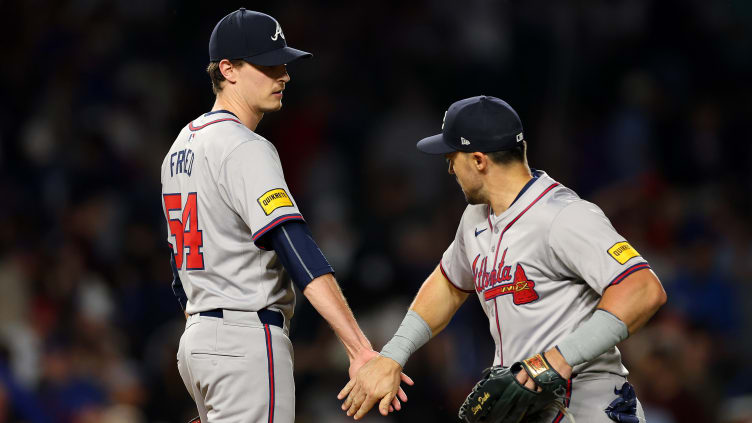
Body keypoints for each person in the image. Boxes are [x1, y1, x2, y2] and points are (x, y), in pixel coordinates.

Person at [338, 96, 666, 422]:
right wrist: (393, 355)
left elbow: (643, 288)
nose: (450, 167)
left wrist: (556, 359)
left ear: (479, 160)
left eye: (452, 156)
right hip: (531, 405)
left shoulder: (563, 215)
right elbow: (447, 285)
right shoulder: (475, 219)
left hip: (589, 403)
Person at [160, 9, 411, 422]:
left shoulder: (179, 148)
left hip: (199, 342)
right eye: (268, 64)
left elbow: (178, 270)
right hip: (246, 338)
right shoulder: (244, 146)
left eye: (283, 64)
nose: (284, 75)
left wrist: (209, 345)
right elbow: (295, 247)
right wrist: (359, 349)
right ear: (228, 70)